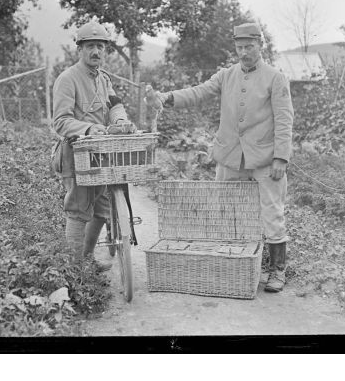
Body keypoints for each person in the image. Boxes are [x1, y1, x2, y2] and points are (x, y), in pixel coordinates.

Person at [151, 22, 294, 292]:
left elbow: (285, 120)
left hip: (264, 158)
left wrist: (281, 158)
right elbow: (199, 91)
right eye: (239, 47)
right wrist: (168, 97)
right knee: (226, 212)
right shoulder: (226, 75)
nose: (244, 52)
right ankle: (234, 264)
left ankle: (277, 269)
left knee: (271, 214)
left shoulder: (275, 78)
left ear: (260, 45)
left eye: (249, 46)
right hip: (230, 157)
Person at [52, 20, 136, 271]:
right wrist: (88, 128)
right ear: (80, 49)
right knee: (79, 208)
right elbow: (60, 122)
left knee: (102, 207)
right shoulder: (68, 79)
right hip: (76, 152)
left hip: (101, 153)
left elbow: (115, 105)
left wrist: (120, 121)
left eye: (100, 46)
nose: (96, 51)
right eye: (90, 46)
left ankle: (86, 259)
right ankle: (74, 271)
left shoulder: (103, 79)